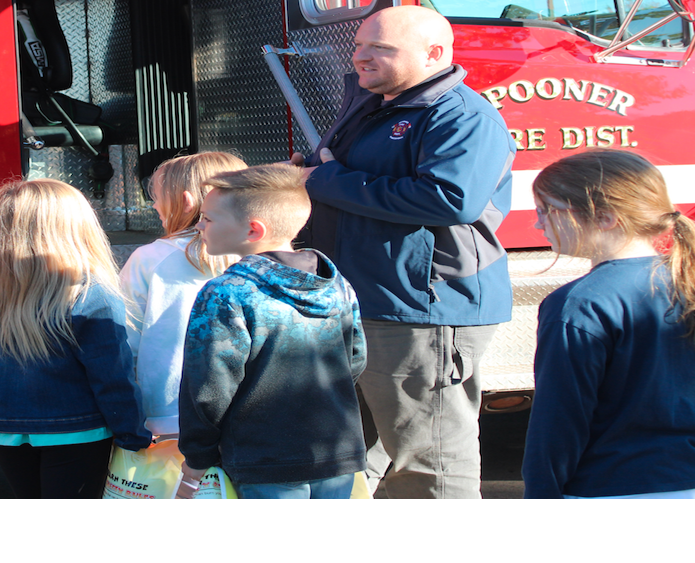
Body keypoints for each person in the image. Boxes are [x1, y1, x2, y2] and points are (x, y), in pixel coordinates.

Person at [294, 5, 515, 498]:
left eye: (380, 49)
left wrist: (327, 179)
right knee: (360, 453)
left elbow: (449, 198)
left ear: (434, 53)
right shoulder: (374, 103)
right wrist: (306, 173)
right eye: (358, 46)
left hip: (421, 309)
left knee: (429, 458)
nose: (360, 58)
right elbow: (343, 173)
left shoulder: (460, 116)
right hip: (370, 300)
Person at [520, 150, 695, 499]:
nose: (538, 223)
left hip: (619, 486)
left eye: (547, 209)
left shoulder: (579, 304)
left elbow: (557, 424)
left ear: (605, 217)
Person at [178, 164, 367, 499]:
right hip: (337, 452)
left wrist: (196, 457)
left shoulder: (226, 292)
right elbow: (355, 359)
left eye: (207, 218)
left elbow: (209, 386)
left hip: (264, 459)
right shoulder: (336, 283)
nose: (199, 226)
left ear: (253, 230)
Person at [0, 179, 152, 499]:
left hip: (1, 430)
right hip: (77, 432)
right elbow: (112, 377)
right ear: (76, 225)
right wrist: (133, 434)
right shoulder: (90, 293)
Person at [119, 151, 246, 438]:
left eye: (159, 197)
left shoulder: (149, 258)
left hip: (170, 415)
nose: (154, 205)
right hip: (247, 412)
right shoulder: (257, 254)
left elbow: (126, 340)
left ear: (186, 201)